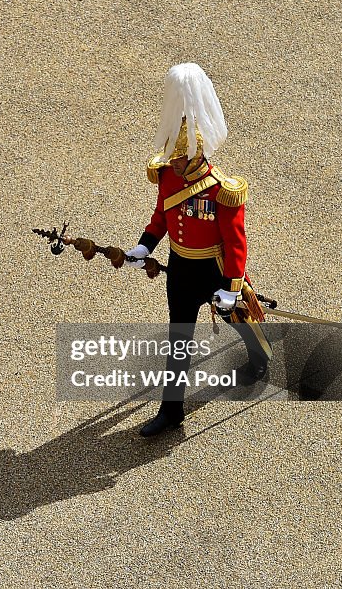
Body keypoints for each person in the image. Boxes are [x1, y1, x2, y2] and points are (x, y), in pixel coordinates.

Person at [126, 63, 272, 437]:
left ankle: (260, 355)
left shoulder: (221, 189)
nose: (171, 162)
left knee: (238, 319)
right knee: (178, 340)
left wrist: (231, 286)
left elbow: (236, 242)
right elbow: (162, 215)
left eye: (178, 157)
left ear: (194, 153)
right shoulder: (168, 176)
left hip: (214, 268)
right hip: (180, 268)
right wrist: (144, 246)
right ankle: (171, 412)